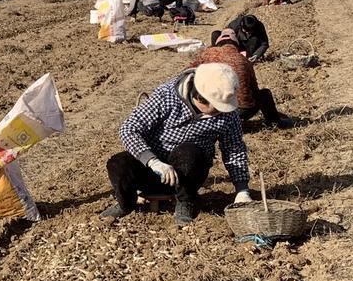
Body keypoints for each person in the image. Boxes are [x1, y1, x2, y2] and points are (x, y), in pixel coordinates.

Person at [100, 62, 254, 225]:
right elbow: (129, 128)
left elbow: (234, 148)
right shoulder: (167, 95)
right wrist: (153, 162)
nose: (220, 111)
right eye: (217, 107)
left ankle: (185, 202)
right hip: (153, 168)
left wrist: (242, 188)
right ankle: (126, 203)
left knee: (189, 151)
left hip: (189, 173)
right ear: (200, 97)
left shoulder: (228, 115)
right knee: (118, 163)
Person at [192, 29, 294, 129]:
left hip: (211, 109)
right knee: (264, 94)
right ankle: (274, 122)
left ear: (217, 43)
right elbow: (254, 89)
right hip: (239, 112)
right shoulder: (244, 61)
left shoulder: (206, 55)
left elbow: (186, 73)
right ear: (236, 45)